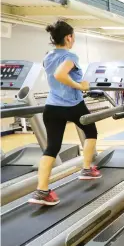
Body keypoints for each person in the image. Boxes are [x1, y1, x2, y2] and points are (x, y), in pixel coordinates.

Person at [28, 21, 101, 206]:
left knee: (52, 148)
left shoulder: (48, 56)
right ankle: (86, 169)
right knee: (91, 132)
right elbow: (61, 74)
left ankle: (42, 191)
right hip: (73, 105)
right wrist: (80, 86)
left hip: (52, 107)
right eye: (73, 37)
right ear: (68, 37)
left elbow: (55, 75)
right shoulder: (70, 56)